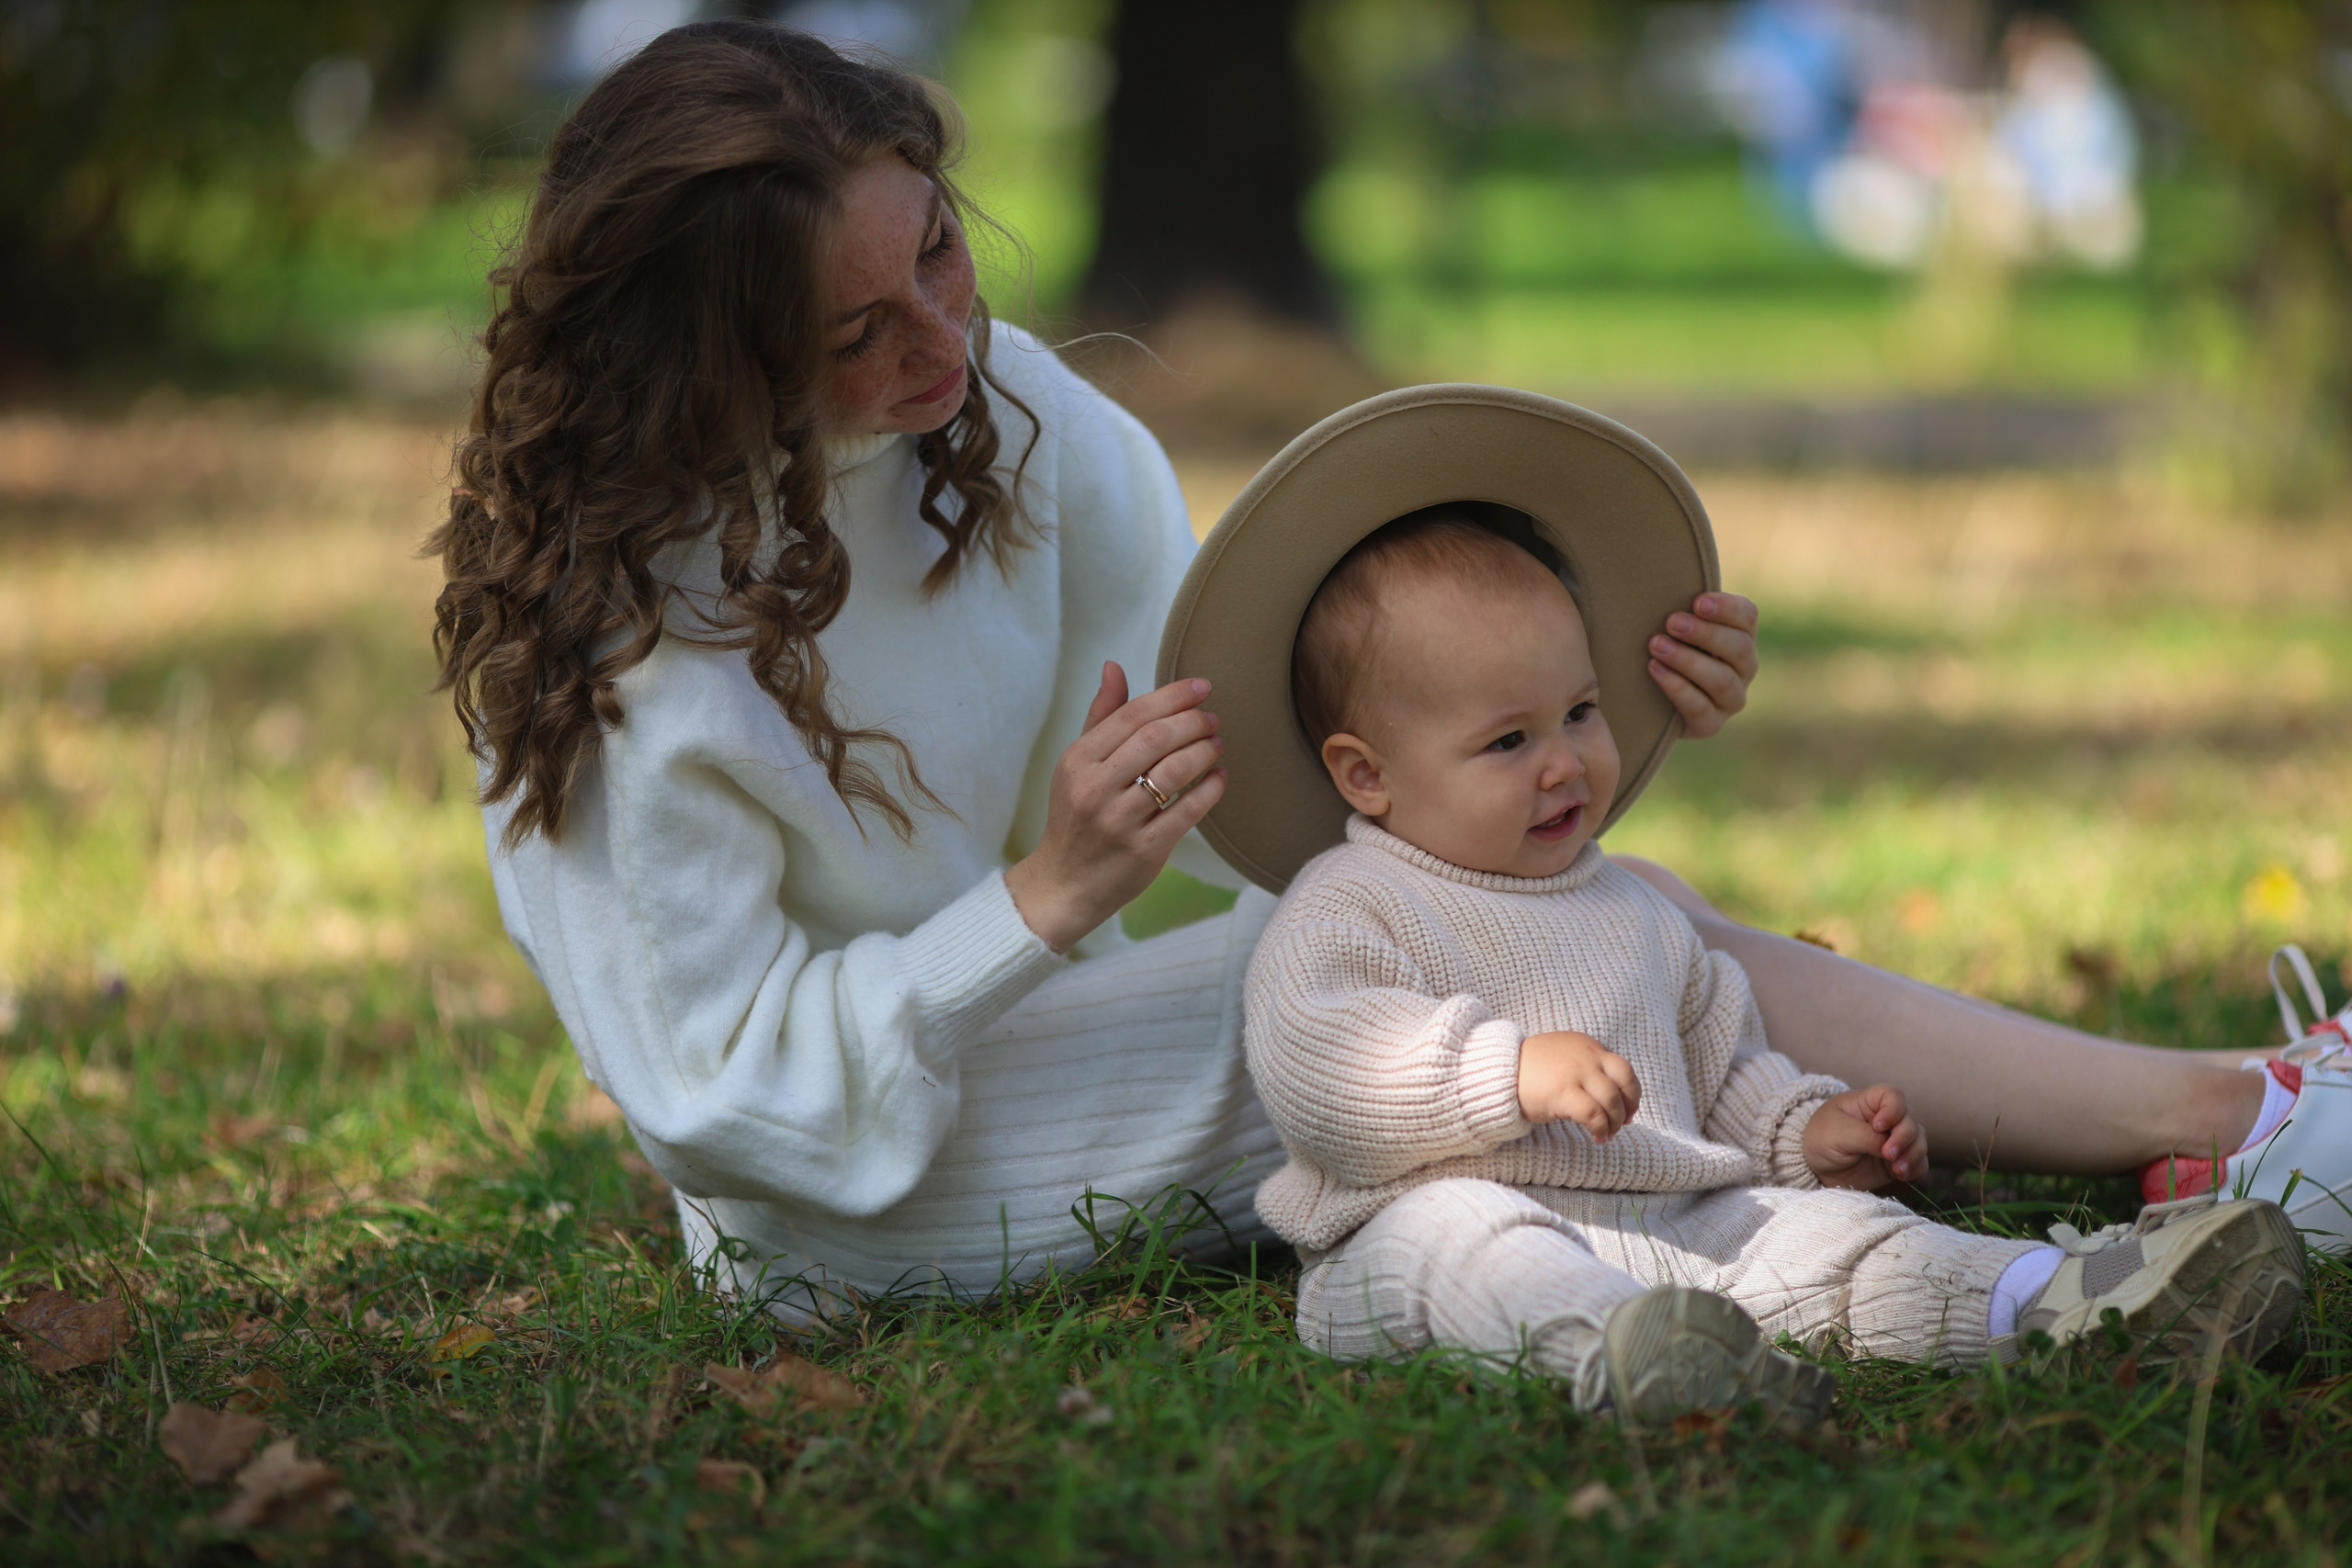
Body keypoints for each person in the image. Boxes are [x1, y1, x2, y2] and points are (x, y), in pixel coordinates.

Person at [431, 20, 2335, 1320]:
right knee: (1434, 971)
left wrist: (1607, 684)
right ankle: (2205, 1140)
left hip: (1073, 1047)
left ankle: (2225, 1108)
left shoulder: (1002, 420)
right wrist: (1040, 903)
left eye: (938, 253)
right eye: (854, 334)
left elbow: (1314, 771)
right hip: (834, 1214)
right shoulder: (622, 650)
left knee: (1593, 917)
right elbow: (712, 1103)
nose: (938, 342)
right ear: (709, 360)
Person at [1222, 496, 2299, 1419]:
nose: (1565, 764)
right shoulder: (1351, 904)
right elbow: (1323, 1072)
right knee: (1462, 1243)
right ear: (1366, 776)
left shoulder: (1623, 905)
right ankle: (1629, 1354)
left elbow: (1718, 1058)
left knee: (1840, 1239)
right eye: (1509, 741)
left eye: (1581, 713)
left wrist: (1803, 1131)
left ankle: (2062, 1301)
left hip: (1677, 1221)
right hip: (1423, 1228)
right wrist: (1505, 1073)